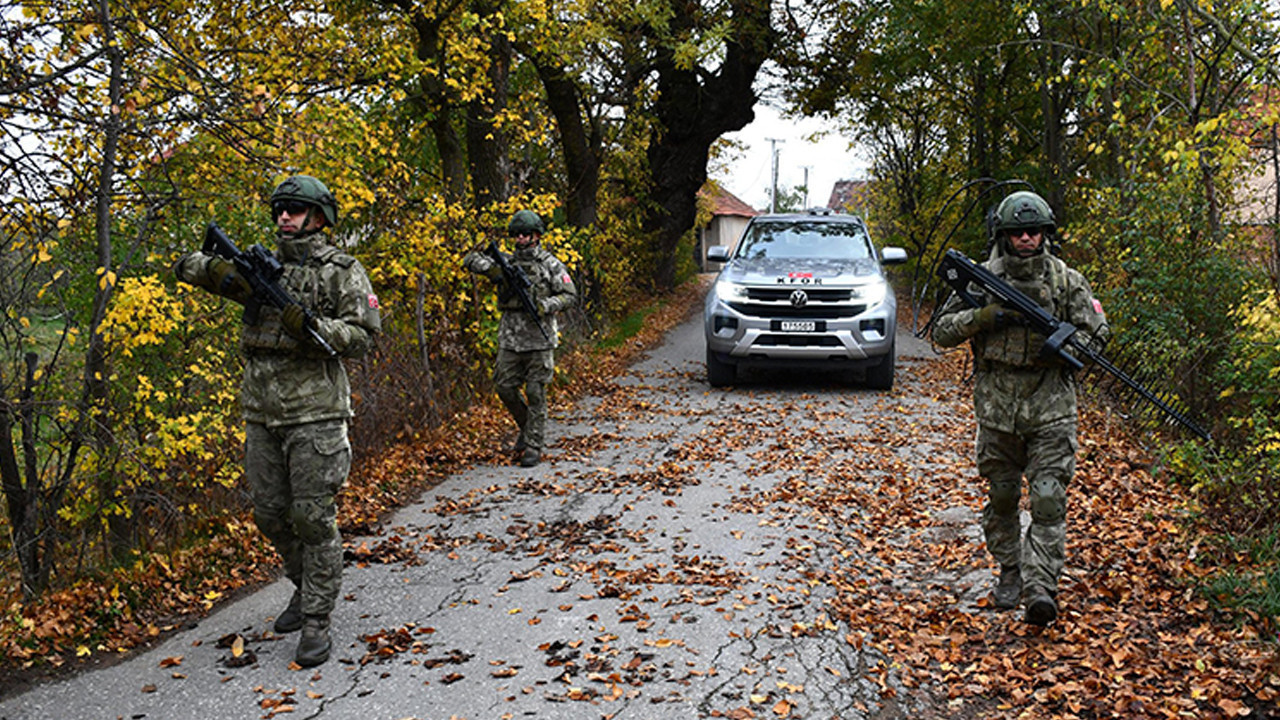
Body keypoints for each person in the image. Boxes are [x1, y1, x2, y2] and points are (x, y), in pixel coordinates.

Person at [174, 175, 381, 665]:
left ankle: (316, 620)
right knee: (269, 514)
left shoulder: (342, 272)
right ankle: (305, 585)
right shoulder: (259, 268)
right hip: (261, 412)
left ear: (318, 217)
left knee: (313, 518)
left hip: (316, 414)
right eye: (279, 209)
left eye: (294, 209)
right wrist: (218, 271)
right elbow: (188, 266)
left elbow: (364, 335)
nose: (284, 217)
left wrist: (311, 326)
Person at [932, 190, 1108, 626]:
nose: (1026, 239)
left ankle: (1040, 588)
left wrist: (1066, 346)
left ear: (1045, 234)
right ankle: (1011, 570)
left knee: (1048, 499)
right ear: (1004, 235)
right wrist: (981, 318)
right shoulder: (980, 279)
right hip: (996, 410)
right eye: (1017, 232)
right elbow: (941, 330)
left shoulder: (1067, 281)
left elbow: (1096, 334)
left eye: (1034, 231)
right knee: (1003, 496)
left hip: (1051, 408)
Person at [462, 210, 577, 468]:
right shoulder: (507, 262)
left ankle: (534, 445)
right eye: (517, 234)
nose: (521, 238)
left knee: (536, 392)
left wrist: (545, 305)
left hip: (540, 338)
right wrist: (492, 269)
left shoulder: (551, 264)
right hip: (511, 339)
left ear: (537, 236)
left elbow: (570, 295)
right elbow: (470, 259)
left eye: (526, 234)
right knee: (504, 387)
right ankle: (527, 428)